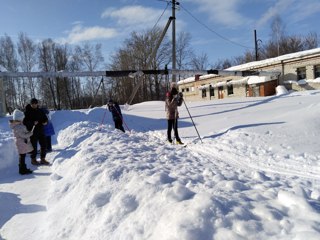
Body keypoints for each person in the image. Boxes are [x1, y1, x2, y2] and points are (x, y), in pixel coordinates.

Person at [23, 98, 50, 165]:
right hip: (32, 131)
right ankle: (33, 159)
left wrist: (45, 122)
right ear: (31, 104)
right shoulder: (27, 112)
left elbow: (45, 118)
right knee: (33, 146)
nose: (34, 105)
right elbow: (24, 122)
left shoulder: (40, 110)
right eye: (33, 103)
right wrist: (32, 123)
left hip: (41, 130)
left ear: (37, 103)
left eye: (35, 103)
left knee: (44, 144)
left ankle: (42, 158)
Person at [9, 109, 34, 175]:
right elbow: (23, 135)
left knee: (22, 156)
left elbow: (23, 133)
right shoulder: (18, 127)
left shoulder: (19, 125)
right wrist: (30, 133)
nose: (23, 119)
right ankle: (22, 170)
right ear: (19, 118)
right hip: (21, 143)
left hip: (21, 142)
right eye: (22, 118)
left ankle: (23, 168)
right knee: (22, 156)